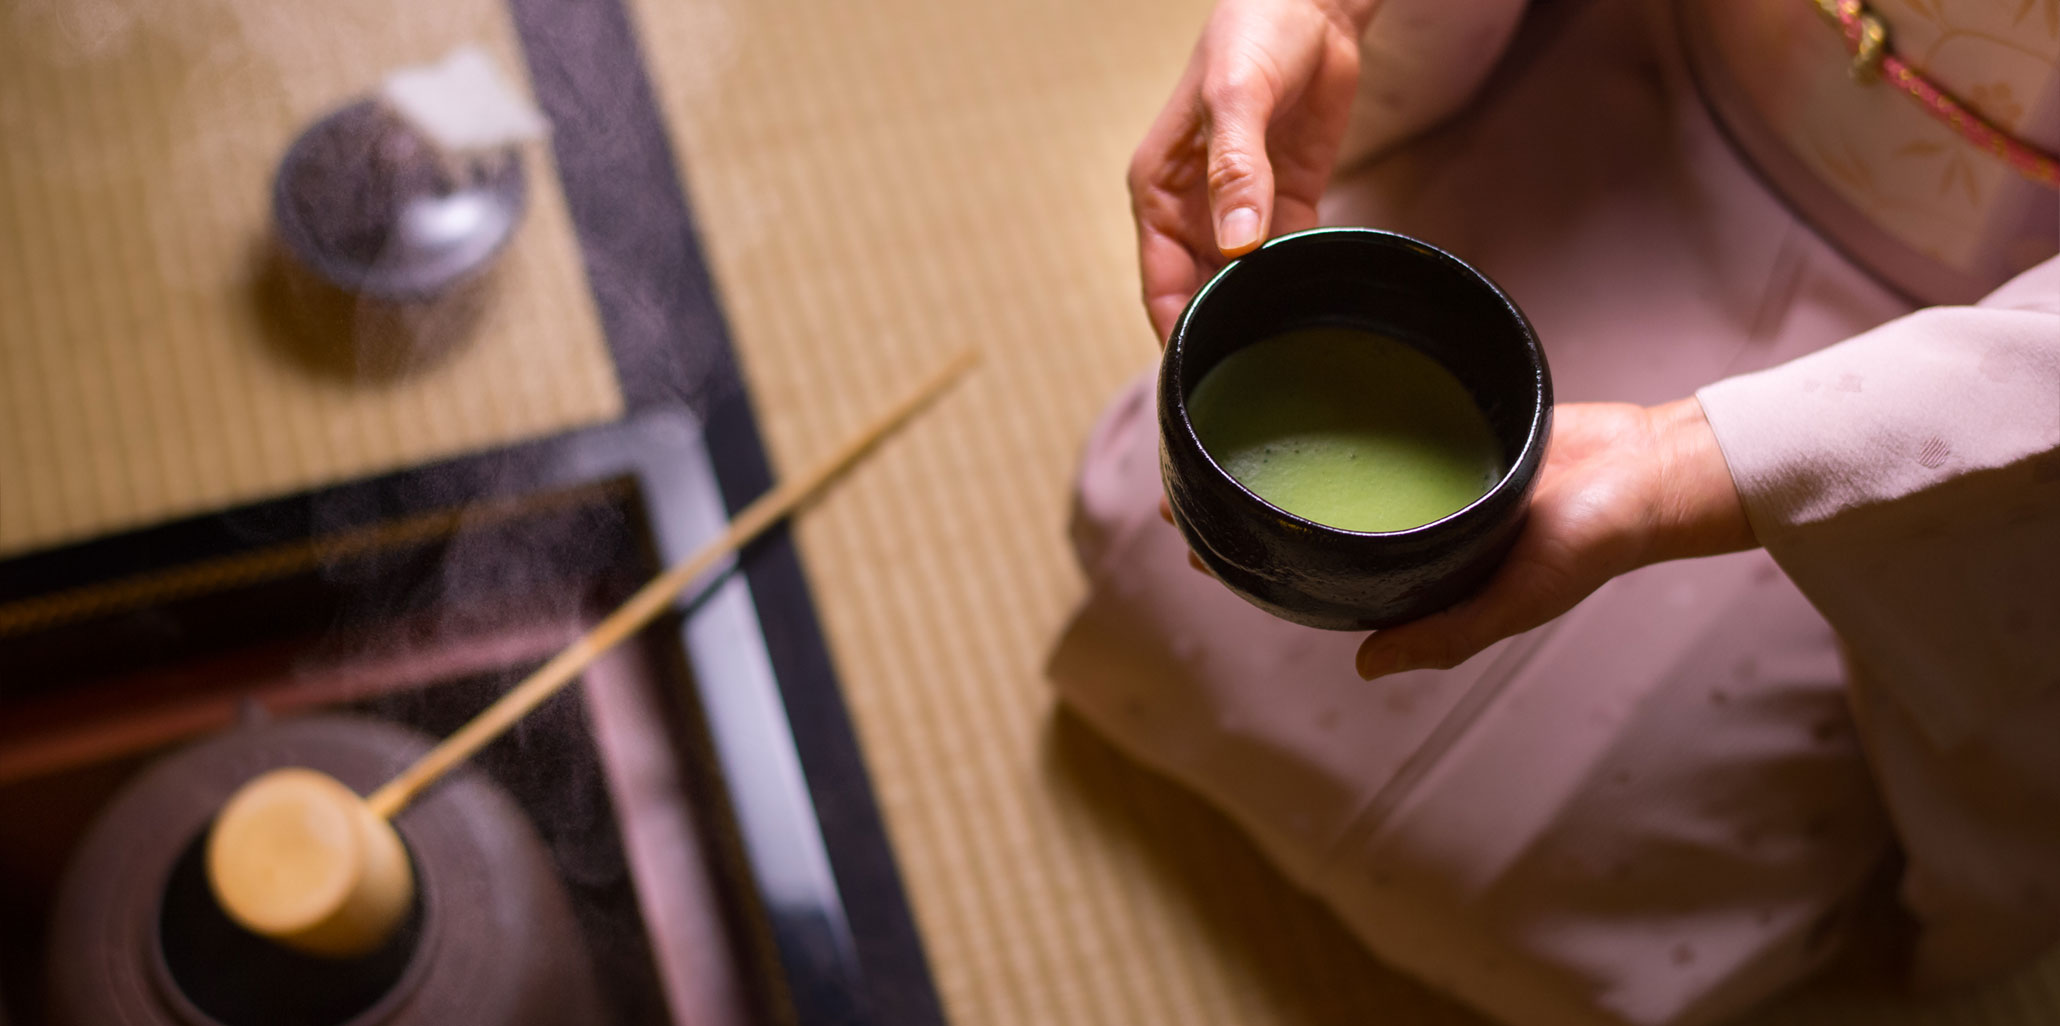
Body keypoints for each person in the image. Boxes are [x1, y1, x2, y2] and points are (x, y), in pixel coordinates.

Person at [1049, 1, 2060, 1023]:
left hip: (1986, 351)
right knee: (1166, 523)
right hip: (1642, 110)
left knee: (1584, 878)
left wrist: (1692, 465)